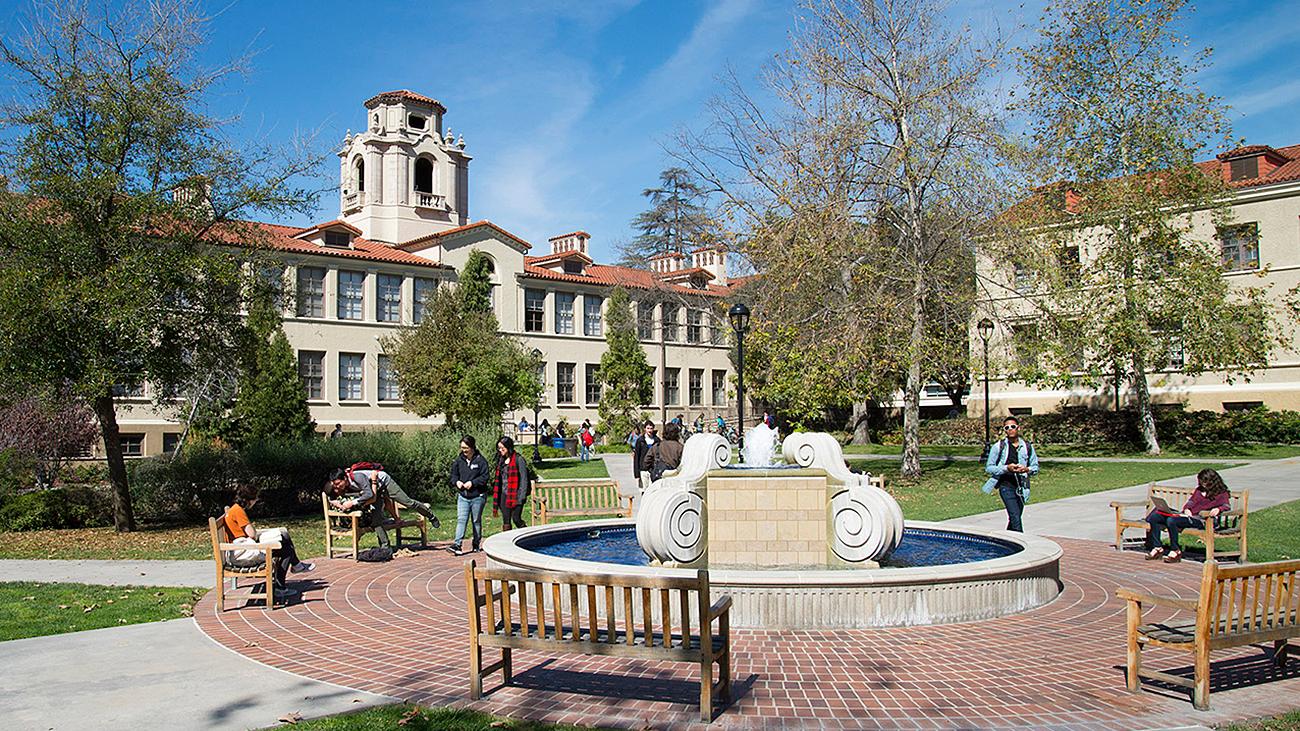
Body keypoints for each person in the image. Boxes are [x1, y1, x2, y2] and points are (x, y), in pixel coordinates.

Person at [328, 464, 442, 549]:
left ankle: (430, 514)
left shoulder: (357, 477)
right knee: (375, 519)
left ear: (344, 478)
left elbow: (369, 494)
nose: (337, 487)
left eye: (338, 484)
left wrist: (352, 503)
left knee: (408, 502)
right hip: (375, 490)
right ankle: (385, 547)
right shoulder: (345, 486)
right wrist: (336, 502)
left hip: (384, 483)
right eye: (335, 485)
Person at [222, 484, 312, 591]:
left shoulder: (234, 509)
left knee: (284, 536)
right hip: (242, 553)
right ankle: (282, 585)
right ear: (249, 500)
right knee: (286, 550)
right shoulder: (238, 511)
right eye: (255, 499)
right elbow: (252, 535)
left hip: (240, 549)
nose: (256, 502)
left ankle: (296, 566)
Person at [1145, 468, 1232, 563]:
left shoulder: (1221, 493)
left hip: (1202, 520)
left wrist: (1218, 509)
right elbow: (1191, 502)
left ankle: (1175, 550)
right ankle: (1157, 548)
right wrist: (1187, 509)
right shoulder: (1199, 490)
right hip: (1189, 517)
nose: (1203, 484)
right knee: (1155, 517)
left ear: (1212, 481)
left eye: (1205, 482)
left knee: (1171, 520)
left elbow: (1226, 506)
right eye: (1201, 482)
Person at [983, 416, 1039, 533]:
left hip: (1022, 487)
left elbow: (1035, 467)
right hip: (1005, 486)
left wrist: (1026, 469)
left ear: (1018, 428)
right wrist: (1006, 468)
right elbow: (989, 468)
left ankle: (1006, 540)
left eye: (1013, 427)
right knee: (1015, 518)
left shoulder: (1027, 447)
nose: (1010, 429)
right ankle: (1024, 544)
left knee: (1015, 517)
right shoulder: (999, 447)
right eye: (1007, 427)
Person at [448, 435, 490, 555]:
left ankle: (476, 543)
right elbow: (453, 476)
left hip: (478, 496)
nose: (464, 450)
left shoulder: (481, 461)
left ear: (472, 447)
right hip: (463, 497)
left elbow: (485, 477)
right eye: (462, 448)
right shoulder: (458, 461)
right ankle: (457, 545)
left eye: (466, 448)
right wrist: (457, 482)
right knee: (461, 520)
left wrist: (473, 483)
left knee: (476, 520)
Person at [494, 436, 532, 531]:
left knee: (516, 519)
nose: (500, 450)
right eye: (499, 448)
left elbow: (524, 479)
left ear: (508, 447)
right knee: (506, 521)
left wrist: (522, 496)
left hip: (516, 494)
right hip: (504, 494)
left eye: (502, 448)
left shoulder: (519, 459)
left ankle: (527, 534)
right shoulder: (501, 460)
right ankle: (507, 542)